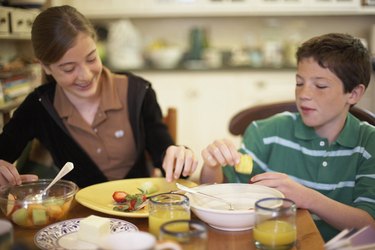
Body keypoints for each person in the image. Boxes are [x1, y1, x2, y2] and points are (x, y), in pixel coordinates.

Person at [200, 33, 375, 241]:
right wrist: (212, 167)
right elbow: (216, 194)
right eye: (299, 82)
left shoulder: (368, 143)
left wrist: (308, 198)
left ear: (354, 94)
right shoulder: (265, 133)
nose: (304, 94)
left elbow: (369, 225)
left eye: (320, 86)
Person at [0, 5, 198, 188]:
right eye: (68, 69)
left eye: (92, 58)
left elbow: (164, 153)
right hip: (78, 220)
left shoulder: (138, 92)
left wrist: (178, 156)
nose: (85, 75)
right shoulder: (40, 106)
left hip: (137, 212)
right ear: (45, 67)